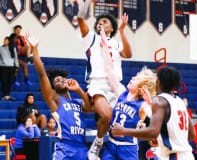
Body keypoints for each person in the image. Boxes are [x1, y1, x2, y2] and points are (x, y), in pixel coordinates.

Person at [77, 0, 132, 159]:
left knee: (118, 121)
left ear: (112, 27)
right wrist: (87, 3)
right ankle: (98, 143)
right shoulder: (91, 39)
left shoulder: (115, 43)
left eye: (105, 21)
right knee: (107, 115)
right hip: (98, 83)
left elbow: (128, 55)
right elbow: (81, 19)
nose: (101, 23)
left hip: (115, 85)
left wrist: (122, 31)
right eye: (99, 22)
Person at [26, 33, 93, 160]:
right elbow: (42, 75)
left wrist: (79, 90)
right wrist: (34, 49)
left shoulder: (78, 101)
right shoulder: (55, 100)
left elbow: (90, 108)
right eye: (57, 80)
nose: (61, 80)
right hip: (65, 148)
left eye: (63, 79)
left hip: (82, 148)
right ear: (53, 87)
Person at [111, 66, 196, 160]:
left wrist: (124, 131)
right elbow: (192, 135)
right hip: (187, 155)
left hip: (173, 156)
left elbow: (153, 132)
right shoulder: (180, 102)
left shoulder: (159, 101)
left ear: (159, 82)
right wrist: (167, 140)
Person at [101, 67, 156, 160]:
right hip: (111, 145)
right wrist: (106, 52)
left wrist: (150, 102)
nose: (133, 77)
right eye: (135, 77)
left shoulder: (142, 105)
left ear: (142, 87)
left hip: (128, 149)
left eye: (137, 79)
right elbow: (110, 74)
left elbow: (155, 117)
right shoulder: (122, 93)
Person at [0, 36, 18, 101]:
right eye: (4, 40)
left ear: (9, 41)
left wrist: (17, 66)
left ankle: (7, 95)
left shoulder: (13, 48)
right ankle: (5, 95)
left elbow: (15, 58)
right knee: (4, 81)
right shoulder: (1, 48)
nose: (4, 41)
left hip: (11, 67)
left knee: (10, 82)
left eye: (6, 40)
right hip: (3, 67)